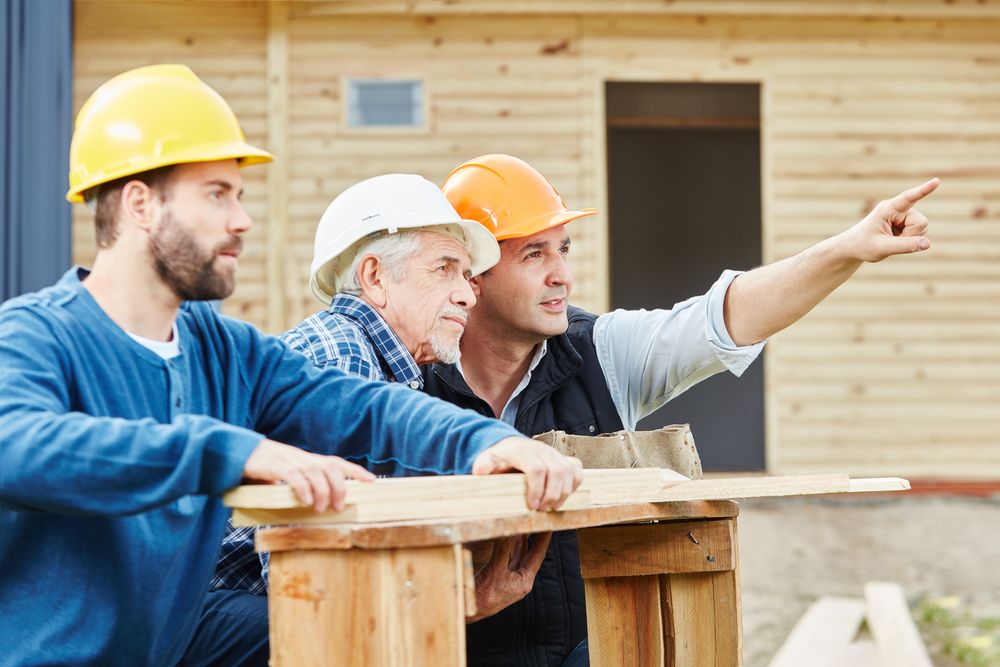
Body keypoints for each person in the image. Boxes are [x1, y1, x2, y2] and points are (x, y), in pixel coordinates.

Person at [0, 69, 581, 667]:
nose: (241, 221)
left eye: (239, 196)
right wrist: (229, 451)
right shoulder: (37, 334)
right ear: (141, 204)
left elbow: (364, 410)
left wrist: (486, 442)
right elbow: (16, 445)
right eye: (216, 194)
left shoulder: (226, 354)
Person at [425, 153, 937, 666]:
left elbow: (724, 318)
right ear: (471, 277)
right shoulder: (407, 383)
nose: (562, 275)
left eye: (564, 249)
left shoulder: (599, 354)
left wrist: (847, 249)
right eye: (534, 255)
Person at [213, 173, 549, 622]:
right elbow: (314, 590)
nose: (468, 294)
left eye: (468, 276)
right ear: (375, 278)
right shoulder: (340, 354)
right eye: (445, 268)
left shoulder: (378, 363)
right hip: (222, 623)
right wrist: (463, 607)